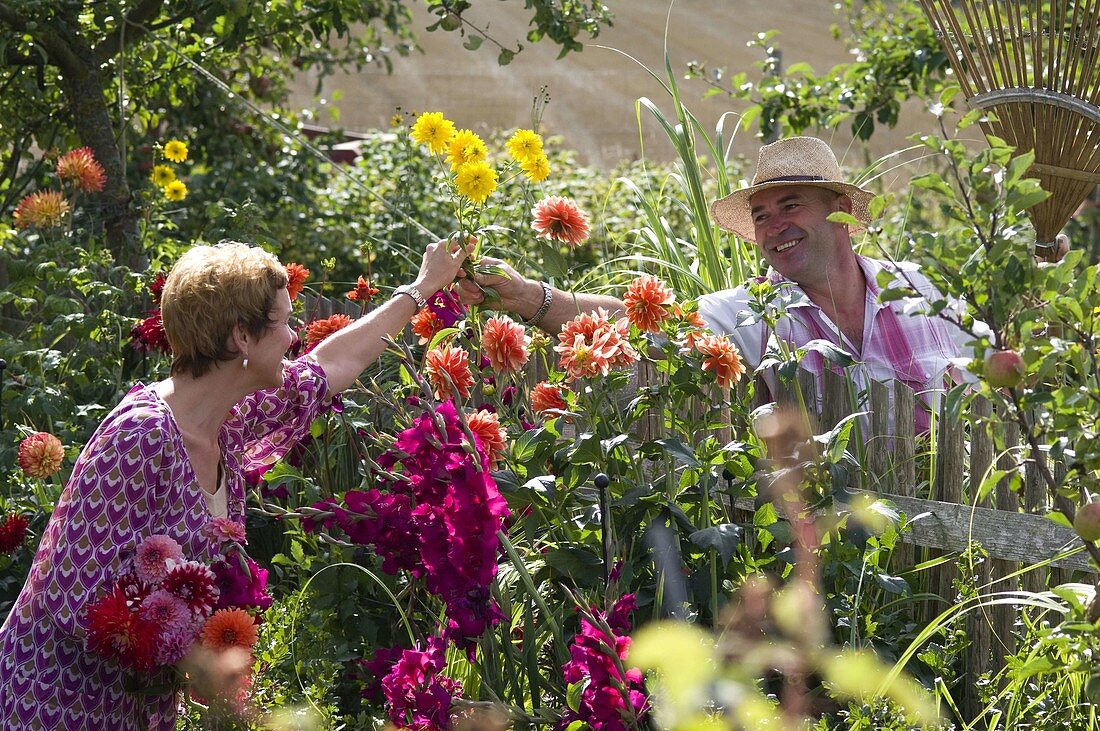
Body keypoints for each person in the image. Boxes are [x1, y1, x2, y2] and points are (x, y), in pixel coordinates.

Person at [0, 239, 468, 729]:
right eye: (285, 322)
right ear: (241, 336)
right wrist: (201, 655)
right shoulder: (140, 438)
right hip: (53, 706)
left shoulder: (229, 418)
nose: (294, 336)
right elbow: (72, 601)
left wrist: (421, 289)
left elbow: (333, 365)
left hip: (135, 710)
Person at [459, 136, 969, 431]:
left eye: (791, 205)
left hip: (948, 556)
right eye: (762, 215)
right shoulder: (753, 313)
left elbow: (1000, 376)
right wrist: (529, 297)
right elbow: (646, 323)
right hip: (837, 559)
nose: (774, 227)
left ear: (838, 212)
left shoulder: (920, 293)